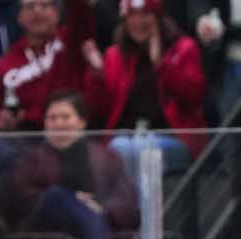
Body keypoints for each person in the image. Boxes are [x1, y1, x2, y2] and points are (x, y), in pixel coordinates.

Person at [85, 0, 208, 181]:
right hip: (127, 137)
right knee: (121, 147)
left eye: (145, 15)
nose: (139, 22)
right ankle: (133, 200)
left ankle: (139, 201)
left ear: (158, 18)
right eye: (132, 16)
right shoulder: (114, 55)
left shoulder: (184, 48)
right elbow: (99, 111)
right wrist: (97, 76)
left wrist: (161, 65)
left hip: (174, 138)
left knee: (142, 149)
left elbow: (194, 97)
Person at [1, 88, 136, 239]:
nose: (58, 124)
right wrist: (73, 201)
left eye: (65, 117)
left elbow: (126, 201)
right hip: (47, 230)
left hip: (98, 220)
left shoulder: (107, 158)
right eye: (52, 118)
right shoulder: (29, 160)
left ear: (82, 122)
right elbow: (19, 200)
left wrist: (100, 207)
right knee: (57, 195)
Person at [0, 0, 95, 128]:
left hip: (70, 130)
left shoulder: (71, 43)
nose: (37, 11)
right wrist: (0, 119)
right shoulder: (8, 62)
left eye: (45, 5)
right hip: (24, 134)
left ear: (57, 13)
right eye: (30, 6)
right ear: (19, 17)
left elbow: (81, 13)